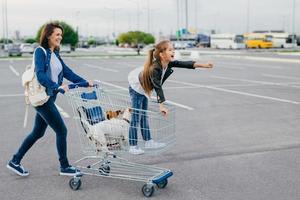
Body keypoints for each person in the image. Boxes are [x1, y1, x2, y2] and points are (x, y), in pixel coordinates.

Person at [6, 22, 92, 176]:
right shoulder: (40, 52)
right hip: (42, 99)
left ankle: (15, 161)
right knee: (62, 131)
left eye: (61, 34)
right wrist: (56, 86)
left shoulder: (55, 53)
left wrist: (85, 83)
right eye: (57, 34)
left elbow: (67, 72)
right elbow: (40, 75)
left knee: (37, 133)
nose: (60, 37)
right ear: (48, 35)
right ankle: (64, 166)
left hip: (49, 98)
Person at [127, 40, 213, 155]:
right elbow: (158, 87)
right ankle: (133, 146)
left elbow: (184, 64)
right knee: (136, 117)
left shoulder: (166, 63)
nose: (173, 51)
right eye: (170, 50)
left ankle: (148, 141)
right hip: (136, 87)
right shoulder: (155, 68)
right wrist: (161, 106)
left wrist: (203, 65)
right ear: (162, 54)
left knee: (144, 116)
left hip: (144, 87)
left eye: (173, 49)